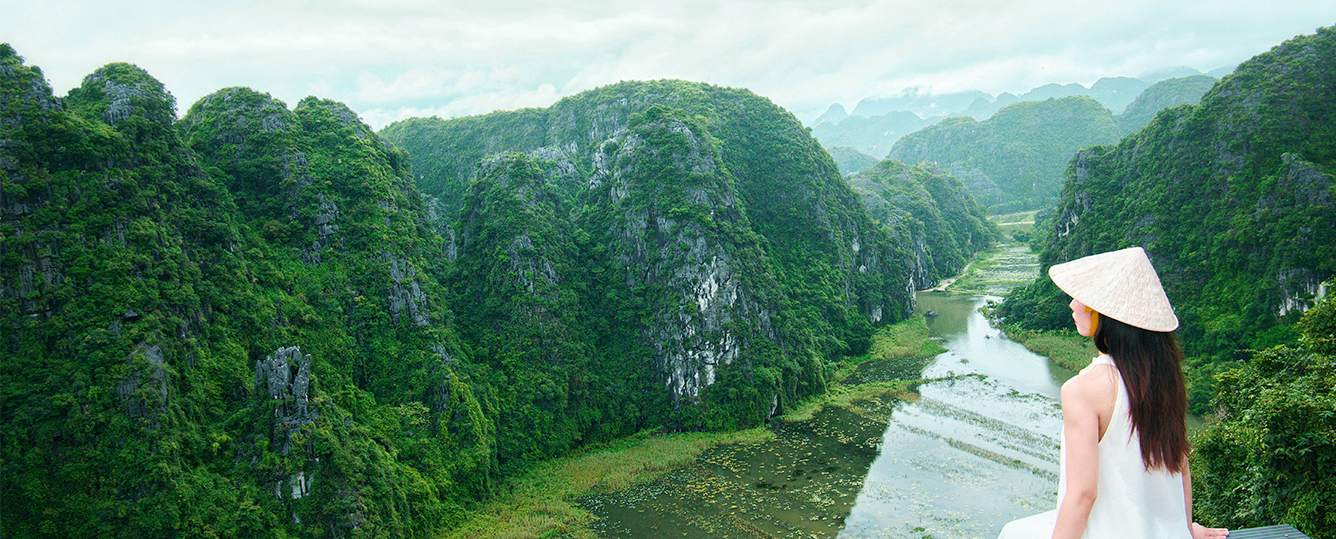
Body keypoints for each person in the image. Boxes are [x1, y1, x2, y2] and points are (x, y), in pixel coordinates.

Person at [997, 246, 1229, 539]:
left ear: (1104, 313)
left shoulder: (1083, 390)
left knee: (1011, 532)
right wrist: (1184, 529)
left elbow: (1082, 495)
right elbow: (1181, 466)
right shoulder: (1163, 377)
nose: (1072, 305)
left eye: (1082, 298)